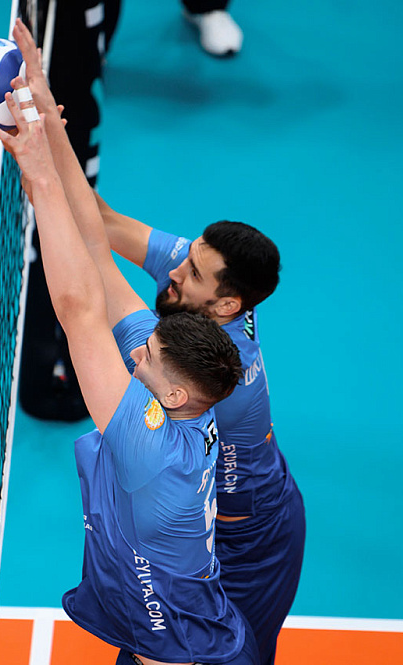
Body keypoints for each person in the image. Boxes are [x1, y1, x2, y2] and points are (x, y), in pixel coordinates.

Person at [0, 20, 259, 664]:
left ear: (177, 395)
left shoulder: (152, 447)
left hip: (177, 654)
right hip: (167, 631)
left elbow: (78, 311)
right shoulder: (185, 394)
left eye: (147, 360)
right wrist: (46, 118)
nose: (135, 355)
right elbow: (98, 255)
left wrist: (38, 180)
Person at [96, 202, 305, 665]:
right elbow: (105, 222)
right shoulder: (201, 283)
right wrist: (46, 157)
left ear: (227, 305)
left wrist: (48, 184)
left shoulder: (200, 377)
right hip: (206, 527)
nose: (174, 270)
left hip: (253, 541)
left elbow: (94, 297)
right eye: (188, 257)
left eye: (191, 272)